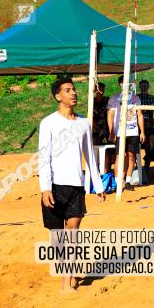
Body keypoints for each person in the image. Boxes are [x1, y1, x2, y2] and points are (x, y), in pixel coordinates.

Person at [38, 77, 106, 294]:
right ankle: (69, 266)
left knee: (72, 233)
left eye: (74, 89)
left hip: (76, 187)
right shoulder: (48, 123)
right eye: (68, 90)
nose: (73, 93)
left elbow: (90, 156)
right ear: (58, 96)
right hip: (55, 187)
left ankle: (66, 283)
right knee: (58, 237)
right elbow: (43, 157)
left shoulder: (83, 123)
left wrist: (98, 184)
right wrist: (45, 188)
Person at [107, 76, 145, 190]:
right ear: (119, 84)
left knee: (131, 155)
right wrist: (111, 131)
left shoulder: (135, 98)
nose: (125, 85)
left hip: (133, 132)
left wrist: (142, 131)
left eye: (128, 83)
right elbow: (110, 115)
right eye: (123, 83)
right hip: (120, 132)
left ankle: (128, 181)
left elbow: (139, 115)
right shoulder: (114, 98)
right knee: (120, 156)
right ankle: (119, 182)